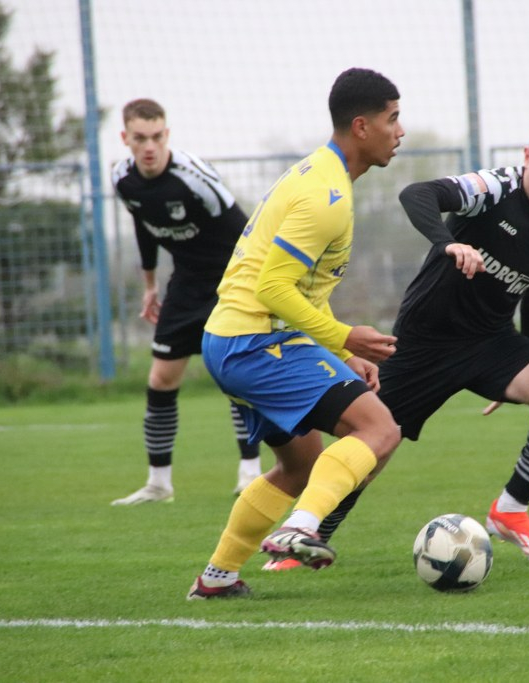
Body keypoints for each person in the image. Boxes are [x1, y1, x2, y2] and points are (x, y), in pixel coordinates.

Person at [297, 118, 529, 566]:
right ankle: (308, 538)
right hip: (423, 344)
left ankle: (510, 511)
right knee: (373, 446)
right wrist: (447, 243)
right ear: (527, 156)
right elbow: (417, 194)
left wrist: (528, 353)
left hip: (492, 343)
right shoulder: (495, 188)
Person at [186, 67, 405, 599]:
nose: (400, 131)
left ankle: (217, 578)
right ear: (361, 126)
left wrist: (336, 351)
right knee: (379, 430)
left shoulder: (320, 174)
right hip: (257, 342)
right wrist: (346, 337)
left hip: (233, 340)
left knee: (301, 465)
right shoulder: (326, 196)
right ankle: (301, 528)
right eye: (392, 119)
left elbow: (301, 290)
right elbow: (273, 288)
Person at [110, 98, 262, 506]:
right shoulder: (122, 179)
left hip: (229, 281)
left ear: (167, 135)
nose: (149, 146)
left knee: (234, 376)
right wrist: (149, 285)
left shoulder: (194, 177)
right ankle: (158, 485)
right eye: (140, 138)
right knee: (161, 379)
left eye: (156, 137)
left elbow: (246, 230)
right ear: (125, 138)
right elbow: (143, 225)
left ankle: (250, 473)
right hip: (185, 284)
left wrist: (253, 286)